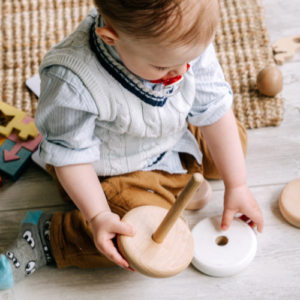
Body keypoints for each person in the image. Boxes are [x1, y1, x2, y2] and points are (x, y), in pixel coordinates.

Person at [0, 0, 264, 289]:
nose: (179, 73)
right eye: (163, 66)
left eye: (190, 60)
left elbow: (213, 104)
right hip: (111, 170)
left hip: (170, 134)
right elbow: (70, 157)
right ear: (111, 38)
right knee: (135, 239)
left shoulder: (182, 40)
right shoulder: (72, 80)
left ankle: (180, 173)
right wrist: (98, 216)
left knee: (233, 140)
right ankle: (47, 236)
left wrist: (237, 184)